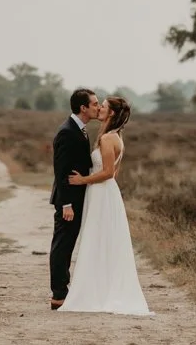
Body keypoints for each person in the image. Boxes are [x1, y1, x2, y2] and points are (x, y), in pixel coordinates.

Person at [57, 95, 152, 316]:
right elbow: (114, 174)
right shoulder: (114, 136)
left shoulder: (108, 139)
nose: (99, 108)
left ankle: (96, 293)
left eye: (104, 107)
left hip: (101, 193)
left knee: (96, 239)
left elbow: (109, 173)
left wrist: (83, 180)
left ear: (110, 114)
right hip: (103, 193)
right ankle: (100, 289)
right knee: (102, 241)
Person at [48, 88, 98, 310]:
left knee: (68, 244)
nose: (98, 107)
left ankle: (63, 290)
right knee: (62, 245)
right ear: (83, 108)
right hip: (68, 201)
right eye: (95, 104)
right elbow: (60, 171)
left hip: (77, 198)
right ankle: (58, 294)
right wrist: (66, 204)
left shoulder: (81, 129)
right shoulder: (67, 132)